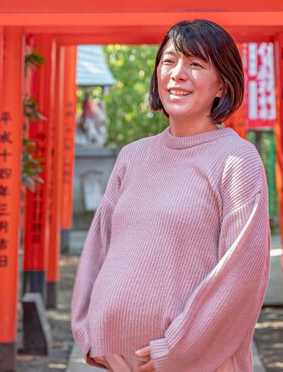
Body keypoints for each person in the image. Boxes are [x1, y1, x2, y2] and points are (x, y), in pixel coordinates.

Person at [70, 19, 271, 372]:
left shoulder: (237, 161)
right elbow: (99, 245)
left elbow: (241, 279)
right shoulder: (133, 156)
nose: (178, 74)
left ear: (222, 85)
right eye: (169, 61)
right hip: (118, 363)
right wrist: (88, 330)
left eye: (195, 64)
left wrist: (175, 352)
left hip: (198, 364)